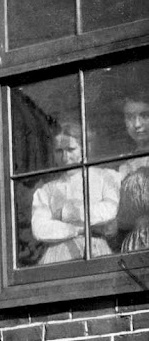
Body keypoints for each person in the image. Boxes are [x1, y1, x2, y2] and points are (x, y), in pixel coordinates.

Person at [29, 122, 120, 265]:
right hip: (59, 255)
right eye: (59, 151)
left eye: (71, 149)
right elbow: (40, 228)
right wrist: (81, 228)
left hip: (95, 249)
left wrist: (66, 213)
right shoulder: (46, 190)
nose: (65, 157)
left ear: (84, 148)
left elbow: (109, 210)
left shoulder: (105, 177)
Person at [114, 89, 149, 253]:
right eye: (130, 117)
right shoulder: (123, 166)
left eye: (144, 115)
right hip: (136, 244)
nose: (137, 124)